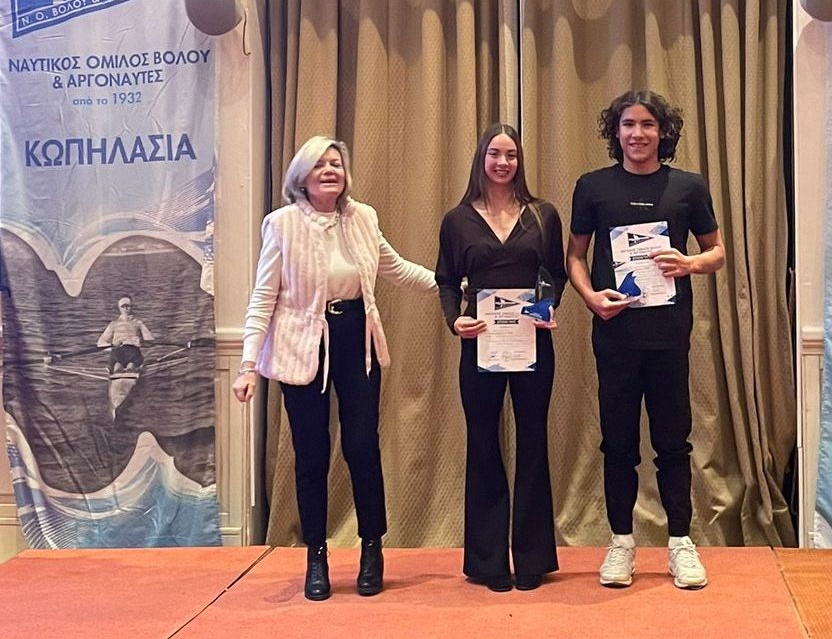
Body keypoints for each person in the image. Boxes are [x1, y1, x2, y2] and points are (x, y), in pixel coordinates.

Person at [232, 136, 436, 601]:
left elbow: (397, 268)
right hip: (303, 345)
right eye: (320, 164)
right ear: (301, 177)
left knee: (362, 447)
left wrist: (453, 285)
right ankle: (316, 556)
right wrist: (247, 365)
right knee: (311, 455)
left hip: (355, 340)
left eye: (336, 164)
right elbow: (263, 297)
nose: (330, 171)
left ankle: (372, 549)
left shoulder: (363, 217)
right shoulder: (281, 224)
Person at [566, 91, 725, 590]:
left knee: (673, 442)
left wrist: (690, 263)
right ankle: (621, 543)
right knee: (617, 443)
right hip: (615, 335)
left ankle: (680, 543)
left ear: (663, 132)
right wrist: (591, 297)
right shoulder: (592, 187)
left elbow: (717, 253)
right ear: (615, 132)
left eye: (648, 125)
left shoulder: (688, 186)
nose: (638, 134)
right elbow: (574, 257)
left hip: (669, 336)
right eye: (629, 124)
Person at [435, 123, 567, 592]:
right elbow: (446, 280)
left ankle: (533, 559)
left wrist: (548, 305)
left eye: (511, 155)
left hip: (532, 342)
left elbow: (555, 273)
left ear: (519, 161)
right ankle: (488, 562)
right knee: (484, 444)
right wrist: (455, 320)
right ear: (481, 159)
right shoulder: (457, 220)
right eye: (495, 154)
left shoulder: (543, 215)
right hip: (480, 344)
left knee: (533, 442)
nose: (503, 162)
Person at [97, 295, 154, 374]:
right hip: (117, 352)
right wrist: (112, 346)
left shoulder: (138, 323)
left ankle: (131, 369)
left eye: (127, 306)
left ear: (132, 307)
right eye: (123, 306)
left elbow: (150, 342)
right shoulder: (113, 324)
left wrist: (140, 342)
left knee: (131, 367)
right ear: (119, 308)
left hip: (133, 352)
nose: (125, 309)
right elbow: (100, 343)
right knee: (117, 367)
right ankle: (118, 371)